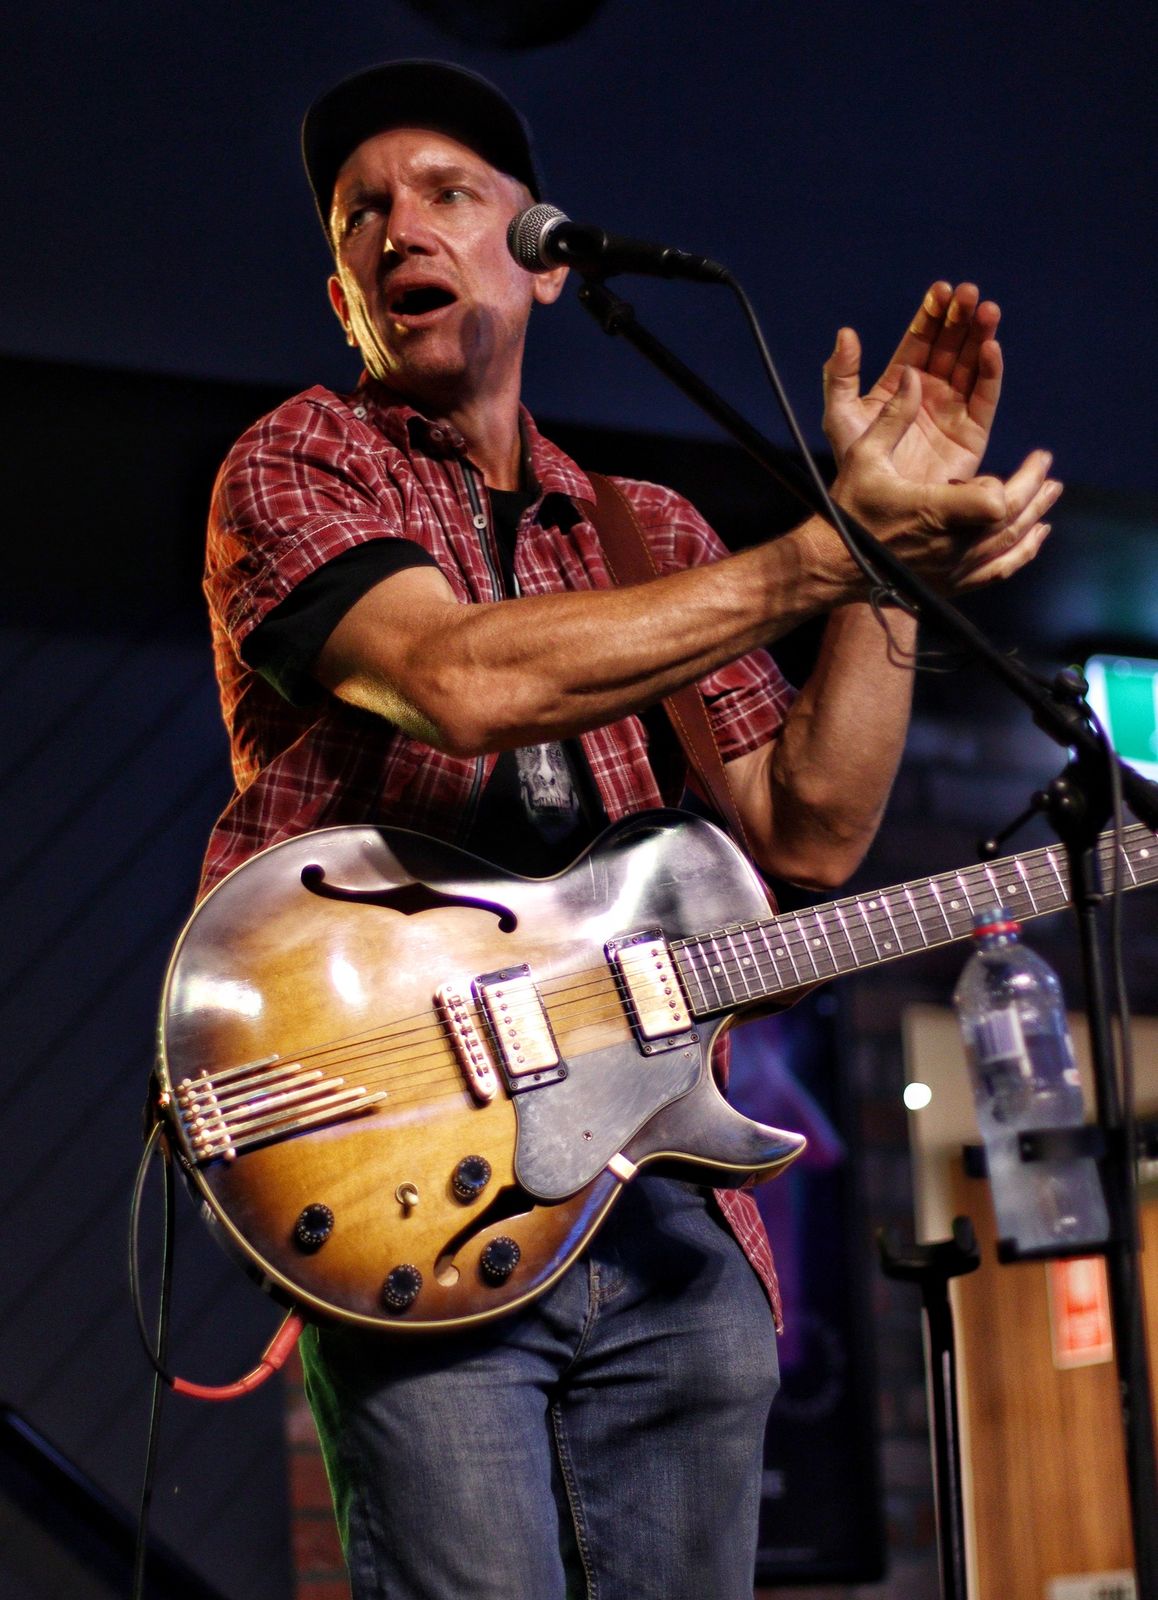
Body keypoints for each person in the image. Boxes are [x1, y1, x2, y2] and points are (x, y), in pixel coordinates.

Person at [200, 59, 1059, 1600]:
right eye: (361, 215)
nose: (401, 226)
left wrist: (878, 571)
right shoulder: (298, 462)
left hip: (665, 1216)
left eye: (448, 193)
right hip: (416, 1188)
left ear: (542, 259)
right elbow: (457, 684)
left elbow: (807, 831)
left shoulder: (645, 531)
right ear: (342, 299)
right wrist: (822, 551)